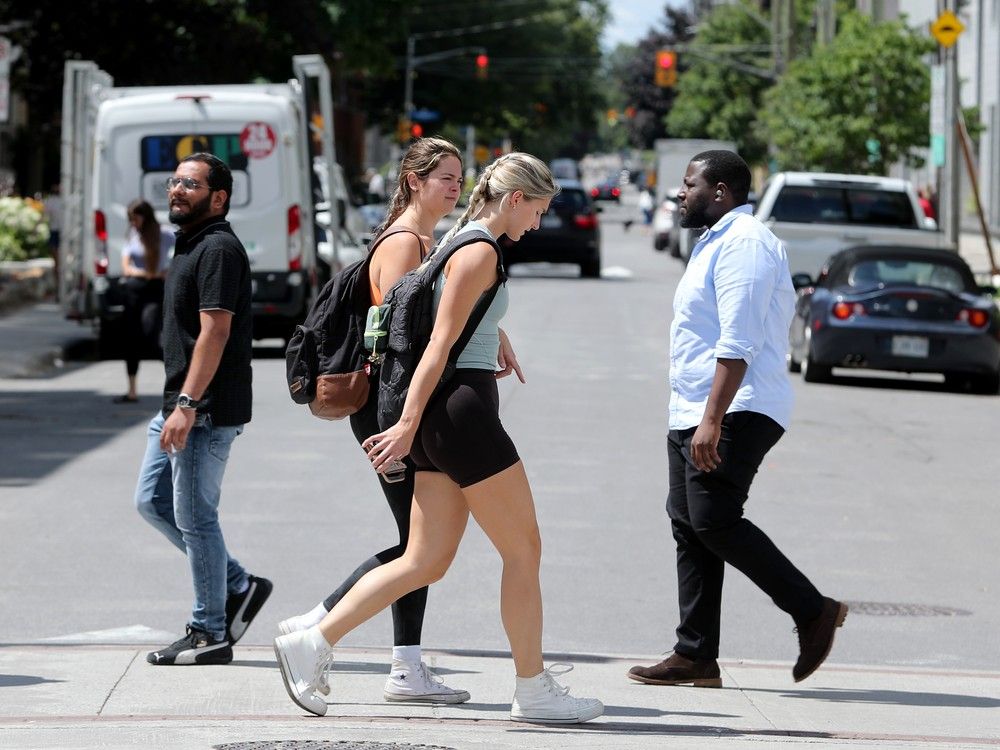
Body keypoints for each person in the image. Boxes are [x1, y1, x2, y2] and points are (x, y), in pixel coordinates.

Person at [273, 153, 604, 724]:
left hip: (440, 420)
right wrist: (403, 425)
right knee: (524, 550)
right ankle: (533, 688)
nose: (538, 224)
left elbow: (444, 327)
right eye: (539, 210)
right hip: (460, 416)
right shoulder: (480, 250)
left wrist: (487, 337)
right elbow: (438, 345)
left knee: (425, 558)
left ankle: (314, 640)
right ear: (514, 198)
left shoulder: (461, 242)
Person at [628, 150, 846, 689]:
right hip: (698, 407)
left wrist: (711, 419)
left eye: (689, 184)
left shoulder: (745, 244)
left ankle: (812, 609)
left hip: (737, 407)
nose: (680, 193)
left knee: (713, 519)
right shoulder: (713, 242)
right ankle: (695, 654)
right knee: (689, 524)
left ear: (720, 191)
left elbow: (738, 340)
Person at [278, 137, 472, 703]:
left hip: (394, 408)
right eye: (445, 177)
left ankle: (399, 664)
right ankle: (322, 624)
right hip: (388, 409)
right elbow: (402, 336)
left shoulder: (422, 239)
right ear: (414, 180)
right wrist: (408, 421)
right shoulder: (405, 243)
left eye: (460, 178)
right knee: (419, 546)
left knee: (417, 544)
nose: (456, 187)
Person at [134, 153, 271, 665]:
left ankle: (207, 631)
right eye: (175, 181)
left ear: (218, 197)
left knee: (195, 519)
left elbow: (215, 330)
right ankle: (237, 584)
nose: (177, 190)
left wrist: (189, 404)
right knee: (153, 501)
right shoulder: (189, 243)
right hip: (180, 402)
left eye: (190, 184)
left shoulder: (217, 249)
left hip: (203, 408)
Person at [114, 199, 174, 403]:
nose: (133, 223)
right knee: (130, 339)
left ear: (145, 217)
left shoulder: (164, 234)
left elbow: (183, 252)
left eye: (136, 218)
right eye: (130, 220)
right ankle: (132, 390)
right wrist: (143, 272)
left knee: (152, 333)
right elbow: (126, 266)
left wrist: (167, 271)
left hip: (155, 289)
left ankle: (179, 383)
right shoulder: (132, 235)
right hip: (134, 290)